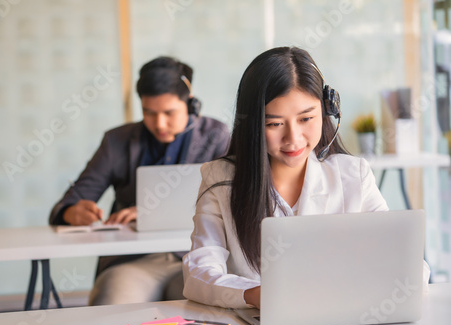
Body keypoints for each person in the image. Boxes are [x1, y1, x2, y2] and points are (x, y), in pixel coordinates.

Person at [182, 46, 430, 309]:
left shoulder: (353, 175)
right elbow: (199, 272)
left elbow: (406, 261)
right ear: (252, 124)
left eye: (306, 118)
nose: (294, 138)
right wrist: (253, 294)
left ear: (326, 111)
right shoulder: (219, 179)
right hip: (257, 320)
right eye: (274, 123)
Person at [49, 56, 230, 305]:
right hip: (134, 261)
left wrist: (149, 211)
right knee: (111, 306)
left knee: (209, 312)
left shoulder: (216, 137)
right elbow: (66, 205)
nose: (159, 123)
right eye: (149, 113)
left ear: (190, 103)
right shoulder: (117, 141)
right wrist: (72, 212)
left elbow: (231, 205)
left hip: (197, 258)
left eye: (169, 113)